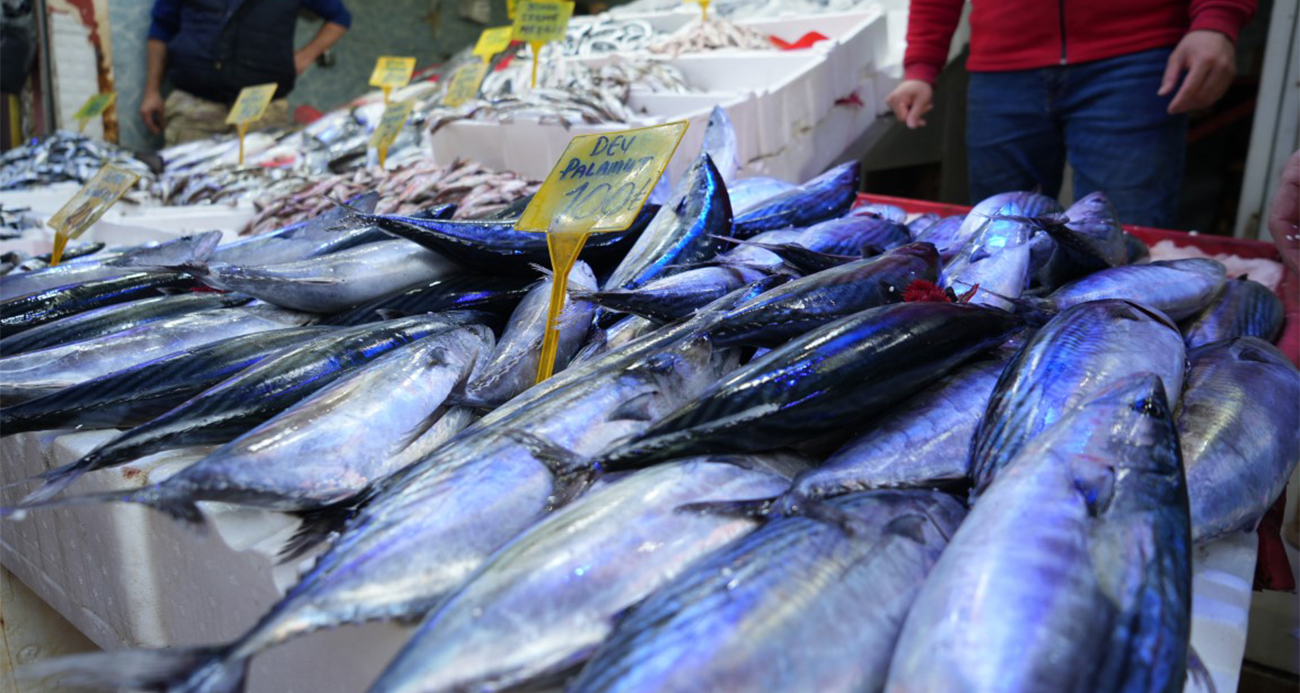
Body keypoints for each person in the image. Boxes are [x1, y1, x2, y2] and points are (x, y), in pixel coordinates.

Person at [885, 0, 1255, 228]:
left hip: (1133, 55)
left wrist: (1217, 19)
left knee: (1122, 233)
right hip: (1001, 66)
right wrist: (921, 65)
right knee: (998, 234)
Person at [140, 0, 352, 146]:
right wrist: (152, 91)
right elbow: (161, 28)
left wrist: (305, 56)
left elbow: (339, 18)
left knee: (259, 190)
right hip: (194, 107)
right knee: (184, 187)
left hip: (262, 109)